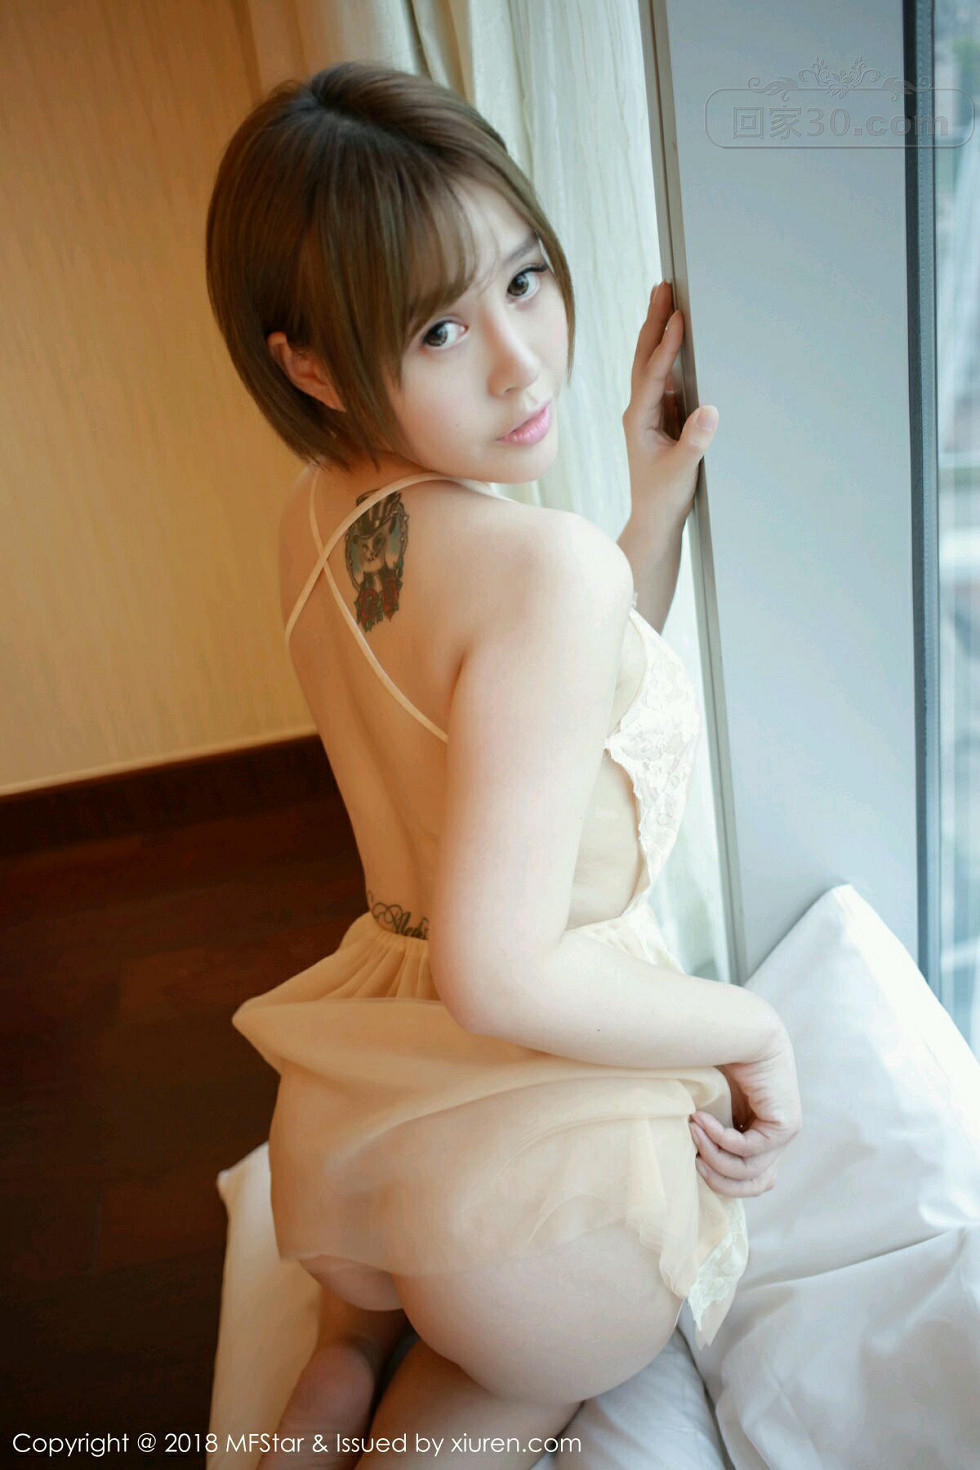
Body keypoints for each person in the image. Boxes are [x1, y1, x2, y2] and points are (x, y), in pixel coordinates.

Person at [205, 60, 802, 1469]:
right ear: (309, 365)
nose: (521, 360)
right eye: (440, 327)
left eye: (524, 278)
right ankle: (406, 1389)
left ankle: (344, 1356)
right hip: (529, 1207)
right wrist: (752, 1031)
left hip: (362, 1126)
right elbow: (503, 972)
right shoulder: (541, 569)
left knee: (365, 1347)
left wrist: (646, 511)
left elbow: (528, 714)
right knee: (465, 1413)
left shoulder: (316, 519)